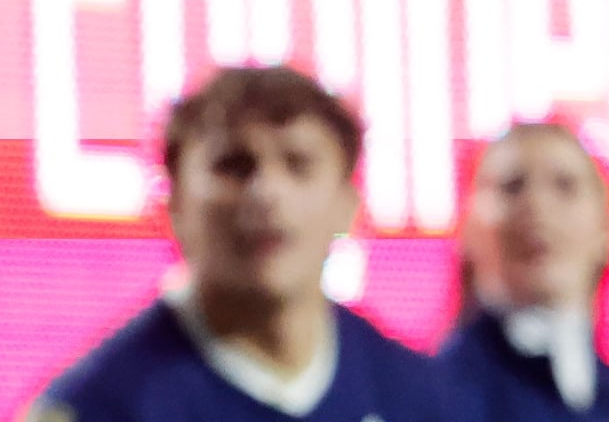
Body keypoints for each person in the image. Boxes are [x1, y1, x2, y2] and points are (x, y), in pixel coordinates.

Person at [25, 66, 450, 422]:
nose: (266, 192)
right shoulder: (95, 408)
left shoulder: (420, 397)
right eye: (234, 166)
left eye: (297, 164)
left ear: (348, 204)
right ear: (173, 203)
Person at [439, 121, 609, 422]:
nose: (537, 206)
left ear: (608, 228)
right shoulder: (430, 398)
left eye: (566, 185)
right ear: (467, 229)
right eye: (512, 186)